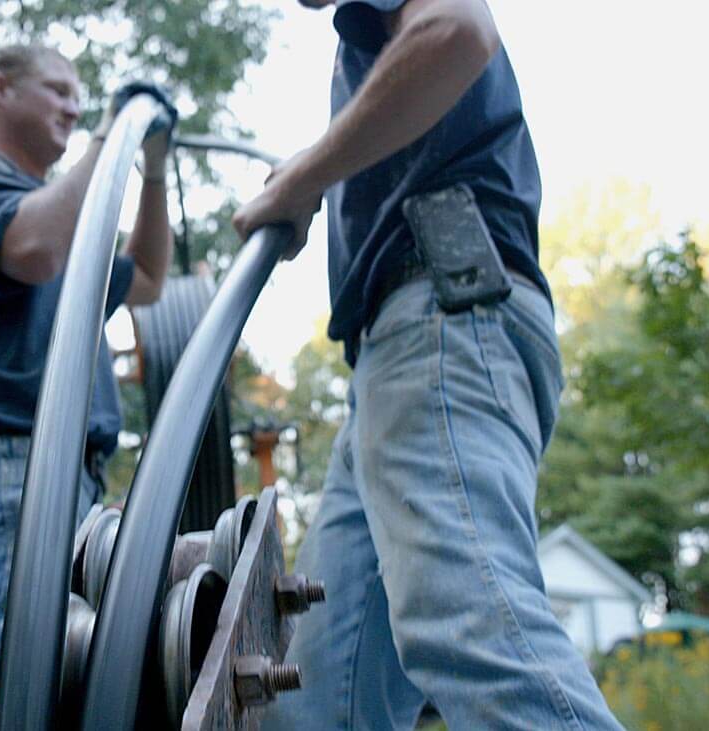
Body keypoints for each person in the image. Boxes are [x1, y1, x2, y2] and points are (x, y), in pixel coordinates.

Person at [233, 1, 625, 728]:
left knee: (473, 629)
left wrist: (303, 178)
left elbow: (455, 33)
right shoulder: (363, 42)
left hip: (442, 323)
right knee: (314, 698)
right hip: (396, 360)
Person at [0, 44, 175, 729]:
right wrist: (107, 135)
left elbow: (147, 278)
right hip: (14, 469)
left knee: (53, 688)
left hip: (73, 476)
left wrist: (152, 170)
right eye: (58, 90)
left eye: (81, 98)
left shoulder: (69, 228)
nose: (74, 105)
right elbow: (31, 252)